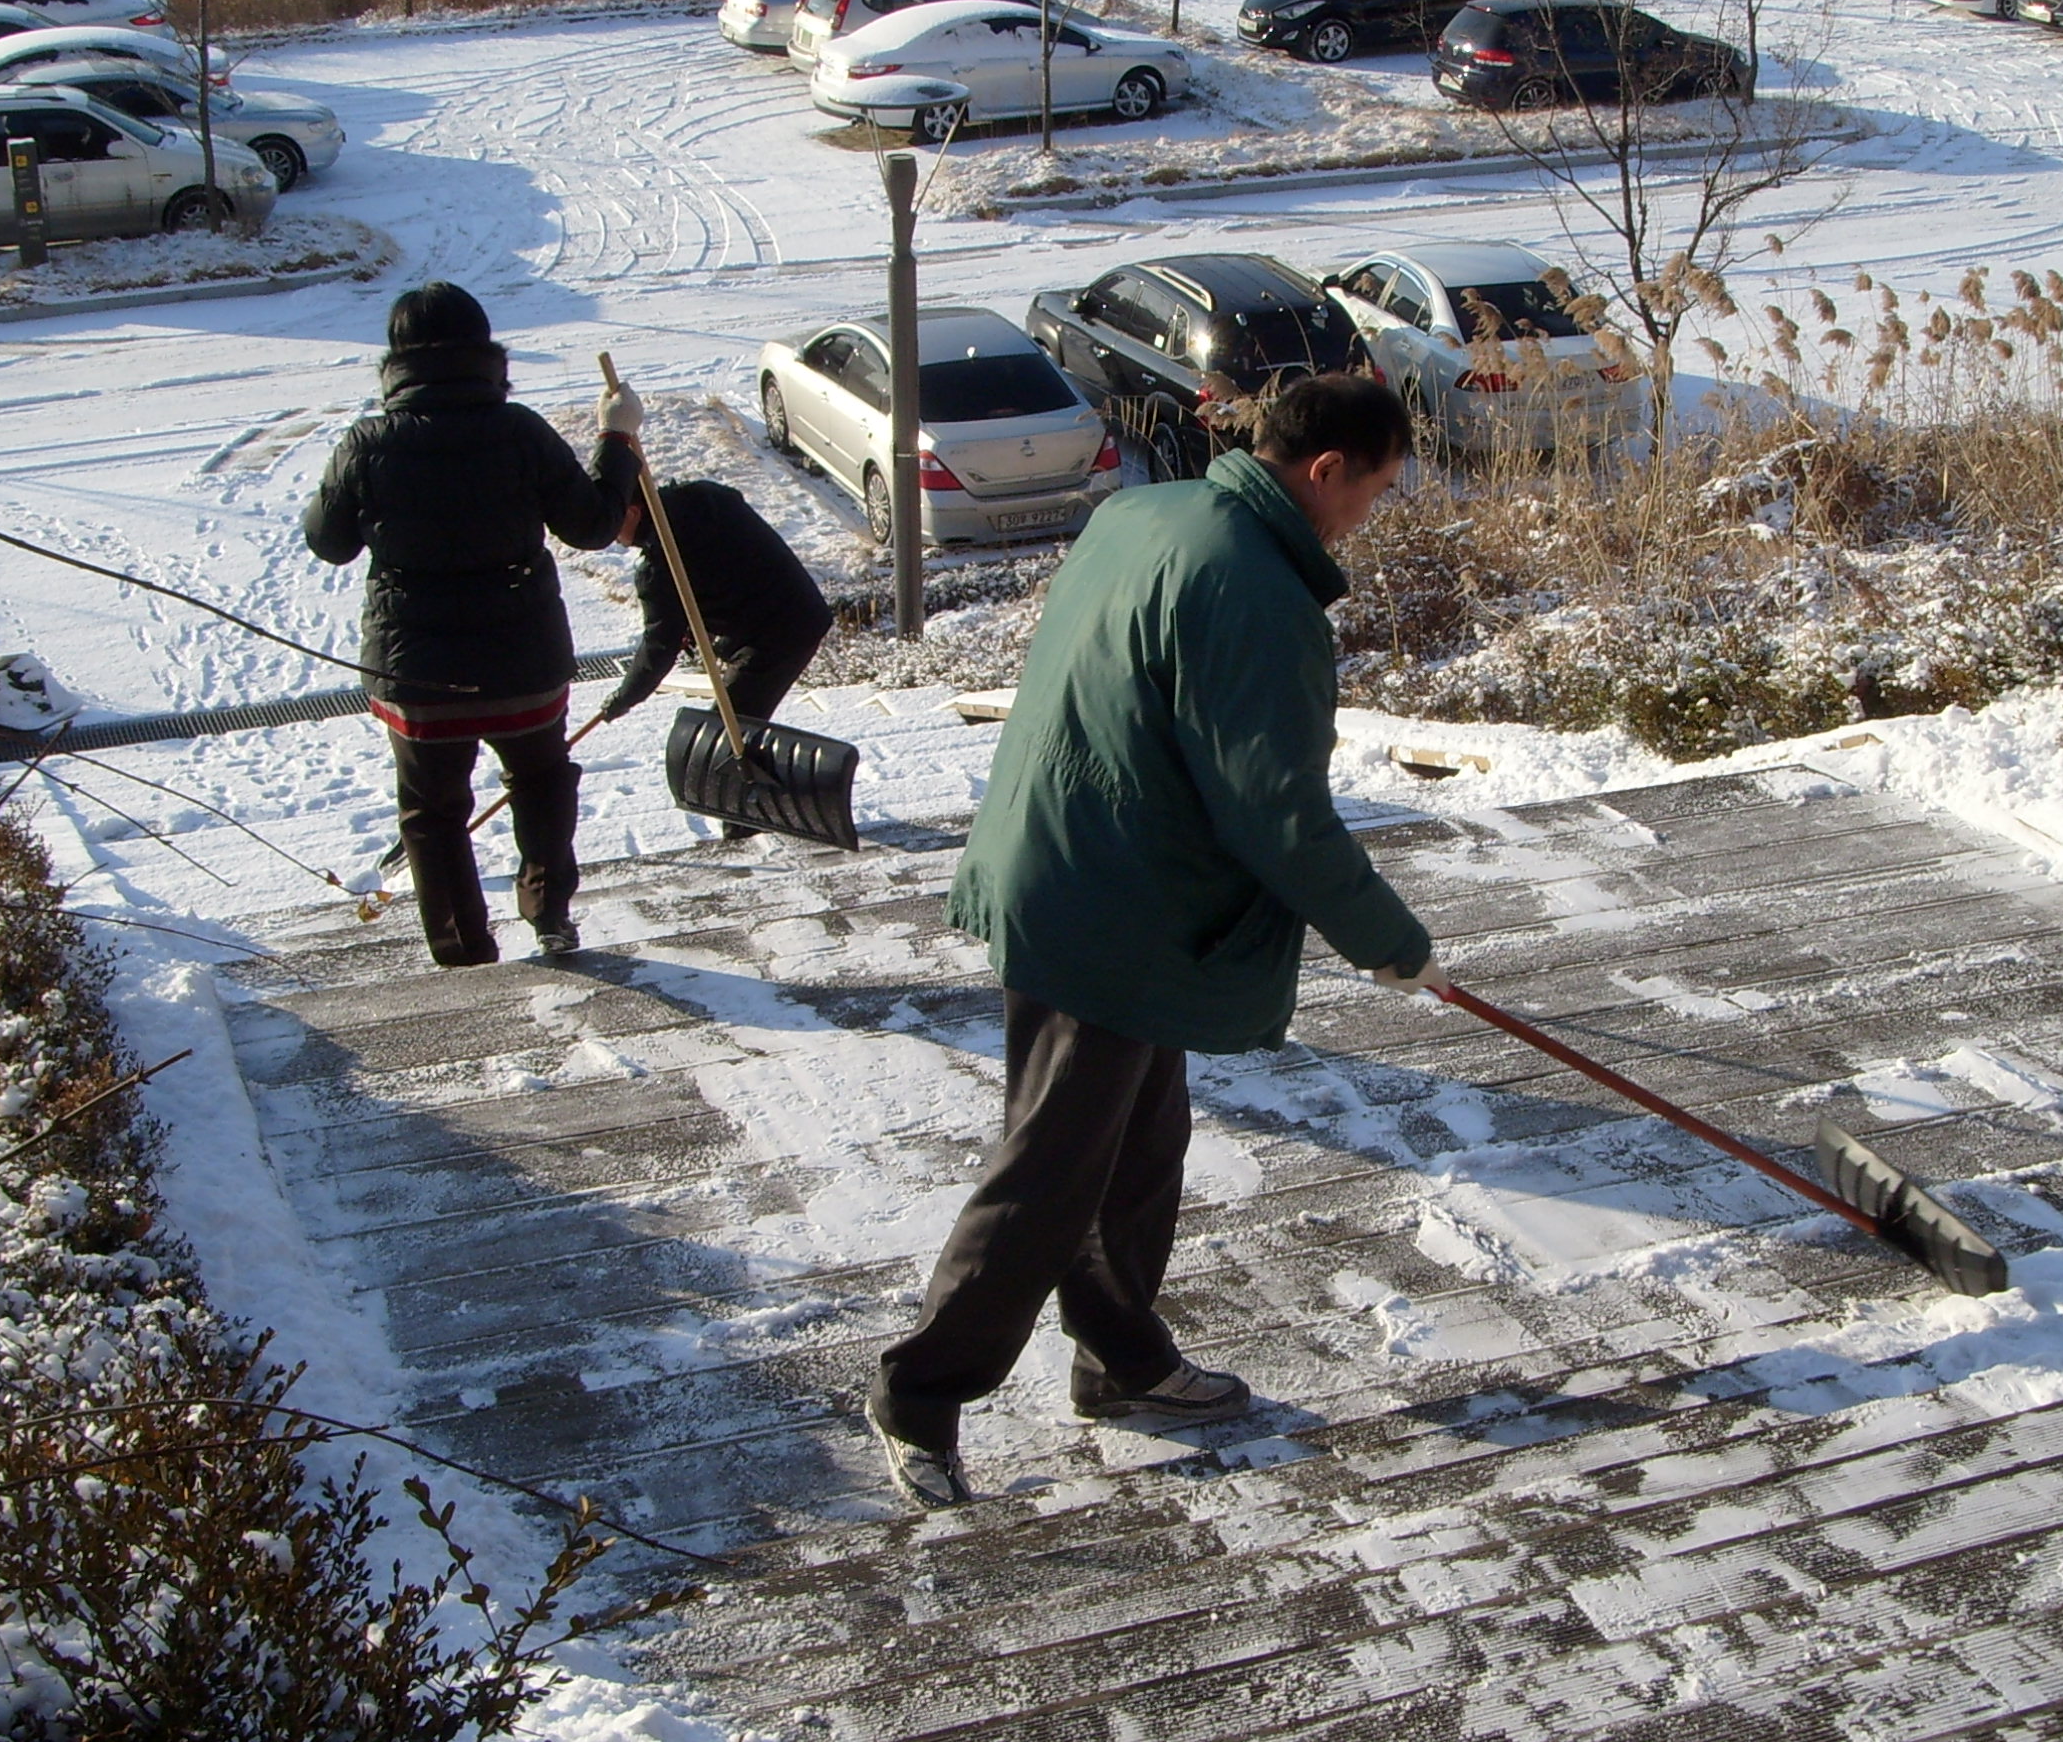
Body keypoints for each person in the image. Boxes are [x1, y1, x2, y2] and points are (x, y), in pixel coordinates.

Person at [865, 373, 1447, 1509]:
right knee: (1053, 1164)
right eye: (1373, 490)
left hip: (1091, 865)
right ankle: (920, 1386)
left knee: (1137, 1144)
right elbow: (1277, 807)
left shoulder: (1147, 512)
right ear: (1324, 471)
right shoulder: (1254, 591)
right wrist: (1387, 938)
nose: (1370, 514)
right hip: (1110, 901)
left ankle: (1124, 1358)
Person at [304, 282, 641, 967]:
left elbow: (329, 541)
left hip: (418, 676)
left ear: (397, 360)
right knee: (542, 780)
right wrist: (617, 438)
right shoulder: (519, 431)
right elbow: (592, 524)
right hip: (524, 665)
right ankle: (548, 912)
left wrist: (347, 481)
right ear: (486, 351)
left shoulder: (368, 442)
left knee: (433, 813)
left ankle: (461, 950)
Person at [593, 472, 834, 749]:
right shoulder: (703, 495)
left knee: (724, 741)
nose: (610, 534)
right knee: (730, 732)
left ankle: (756, 786)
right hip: (798, 607)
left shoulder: (660, 568)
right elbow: (723, 559)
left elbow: (659, 646)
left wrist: (624, 697)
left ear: (633, 512)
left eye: (612, 522)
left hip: (779, 635)